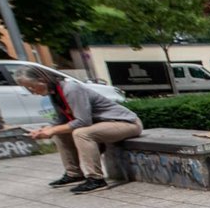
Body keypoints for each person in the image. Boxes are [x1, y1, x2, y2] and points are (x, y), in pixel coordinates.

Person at [15, 66, 143, 193]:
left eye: (31, 86)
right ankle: (74, 174)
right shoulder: (56, 93)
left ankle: (96, 179)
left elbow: (83, 121)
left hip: (126, 123)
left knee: (81, 133)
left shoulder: (71, 89)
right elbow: (61, 120)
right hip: (102, 124)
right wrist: (45, 130)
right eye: (28, 89)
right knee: (60, 132)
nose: (32, 91)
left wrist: (53, 130)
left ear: (42, 79)